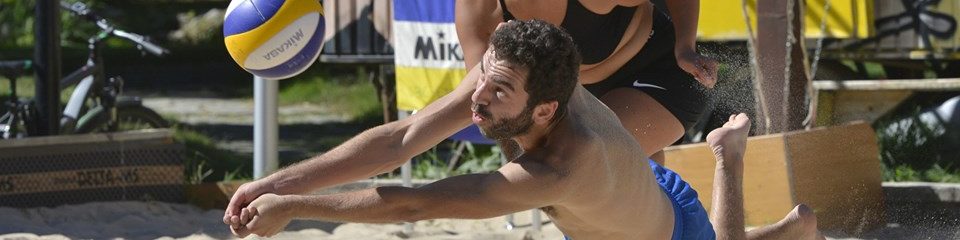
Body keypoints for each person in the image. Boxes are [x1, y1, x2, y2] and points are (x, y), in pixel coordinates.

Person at [223, 20, 822, 240]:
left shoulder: (557, 167)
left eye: (497, 91)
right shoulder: (511, 86)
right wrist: (272, 183)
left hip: (666, 230)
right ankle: (788, 224)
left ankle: (728, 156)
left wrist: (296, 207)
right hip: (630, 200)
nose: (476, 99)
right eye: (484, 80)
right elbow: (398, 142)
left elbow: (411, 205)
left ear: (544, 111)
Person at [456, 0, 718, 164]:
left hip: (661, 70)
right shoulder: (478, 9)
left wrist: (685, 47)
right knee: (632, 195)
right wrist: (521, 163)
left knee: (577, 165)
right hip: (586, 97)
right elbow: (483, 99)